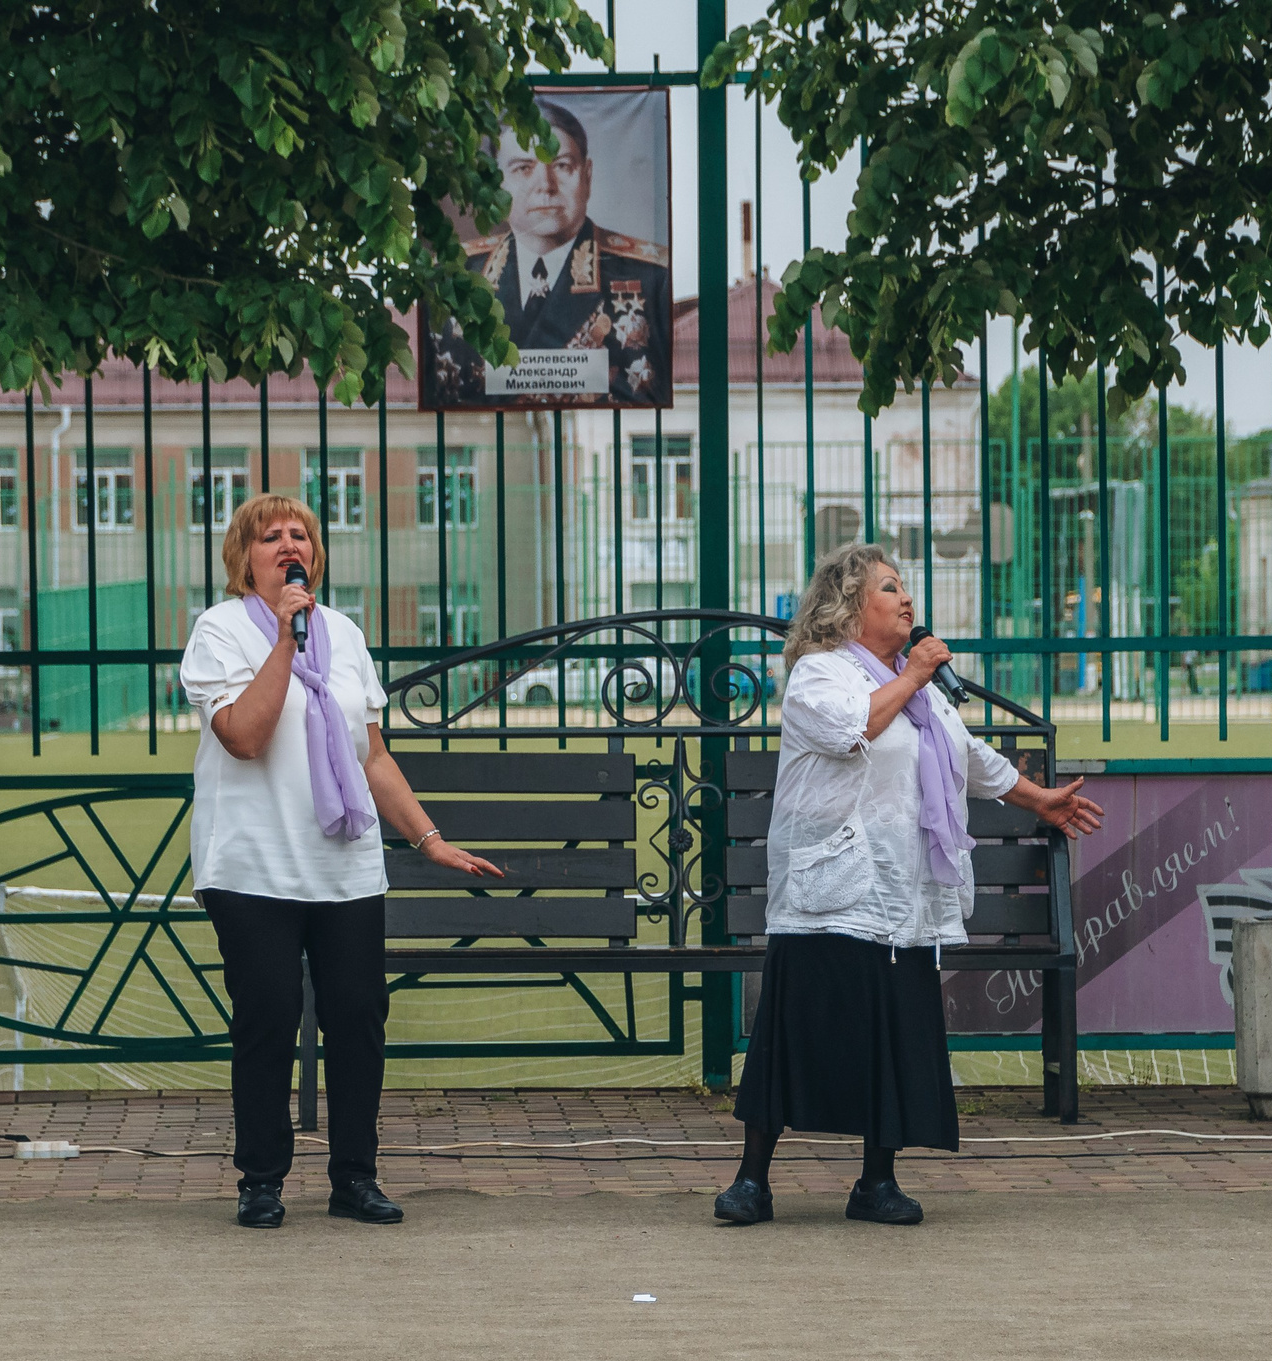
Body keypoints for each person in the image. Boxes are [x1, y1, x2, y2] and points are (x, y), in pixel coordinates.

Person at [718, 544, 1104, 1228]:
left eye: (907, 589)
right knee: (797, 1030)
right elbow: (850, 730)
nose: (907, 600)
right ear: (849, 606)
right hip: (826, 894)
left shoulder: (917, 689)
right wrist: (918, 672)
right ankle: (753, 1179)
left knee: (893, 1029)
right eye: (890, 587)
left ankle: (876, 1181)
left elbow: (969, 757)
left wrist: (1037, 797)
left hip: (900, 895)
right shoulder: (820, 675)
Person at [178, 493, 502, 1230]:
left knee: (358, 1017)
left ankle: (355, 1174)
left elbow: (372, 753)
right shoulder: (220, 630)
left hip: (345, 864)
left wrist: (428, 838)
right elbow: (244, 737)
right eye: (271, 536)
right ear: (244, 555)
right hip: (254, 865)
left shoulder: (346, 634)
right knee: (268, 1016)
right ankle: (260, 1179)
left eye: (301, 535)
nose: (289, 544)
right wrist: (286, 640)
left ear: (314, 554)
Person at [428, 99, 671, 406]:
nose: (546, 185)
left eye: (562, 166)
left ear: (588, 176)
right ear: (495, 182)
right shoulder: (455, 277)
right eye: (523, 168)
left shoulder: (649, 277)